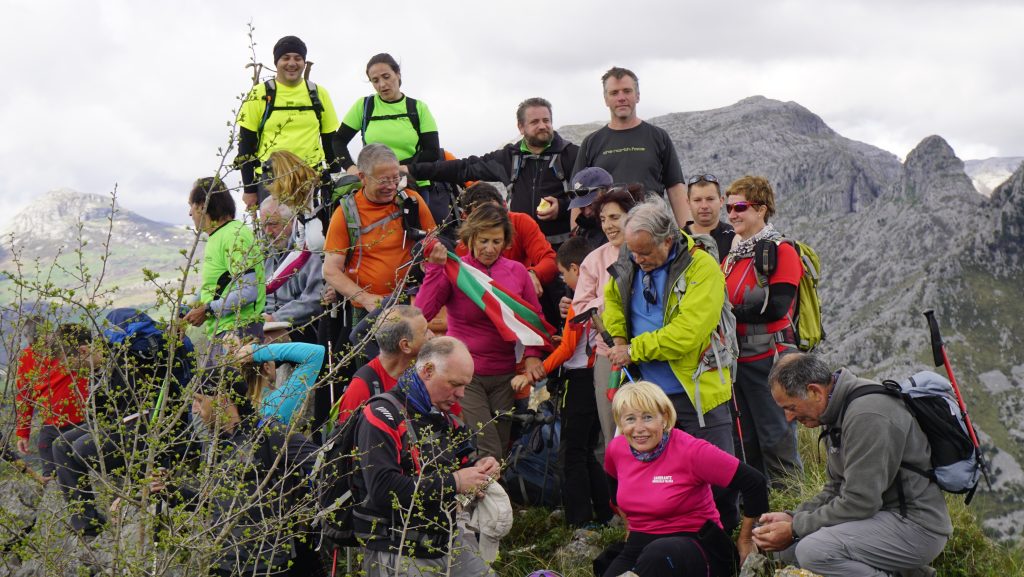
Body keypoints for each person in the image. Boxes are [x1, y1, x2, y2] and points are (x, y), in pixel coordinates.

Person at [602, 198, 740, 530]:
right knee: (656, 482)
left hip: (697, 394)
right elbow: (613, 302)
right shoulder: (630, 261)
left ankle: (725, 550)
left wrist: (634, 351)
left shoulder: (702, 267)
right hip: (648, 397)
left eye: (646, 252)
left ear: (668, 239)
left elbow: (688, 333)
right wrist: (619, 340)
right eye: (634, 252)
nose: (638, 259)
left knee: (718, 481)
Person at [753, 353, 952, 577]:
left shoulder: (867, 415)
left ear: (814, 391)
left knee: (813, 552)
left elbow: (860, 502)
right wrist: (794, 517)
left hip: (916, 527)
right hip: (881, 516)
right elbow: (836, 487)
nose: (788, 418)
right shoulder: (836, 410)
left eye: (790, 407)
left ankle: (904, 569)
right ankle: (909, 572)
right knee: (785, 551)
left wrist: (795, 528)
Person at [153, 359, 318, 576]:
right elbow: (211, 505)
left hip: (269, 565)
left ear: (222, 400)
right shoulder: (212, 445)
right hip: (221, 563)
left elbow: (324, 464)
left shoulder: (270, 435)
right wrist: (171, 491)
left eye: (199, 400)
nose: (194, 408)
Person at [354, 337, 499, 577]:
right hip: (398, 549)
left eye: (465, 385)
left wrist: (481, 468)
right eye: (454, 384)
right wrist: (456, 482)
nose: (461, 394)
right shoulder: (381, 414)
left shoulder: (443, 417)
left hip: (447, 539)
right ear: (428, 371)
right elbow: (382, 489)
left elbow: (465, 463)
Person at [320, 144, 436, 430]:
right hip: (369, 316)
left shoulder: (411, 202)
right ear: (362, 177)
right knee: (377, 380)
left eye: (396, 178)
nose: (391, 186)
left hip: (412, 308)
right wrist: (367, 298)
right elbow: (330, 270)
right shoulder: (345, 214)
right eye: (383, 180)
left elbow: (435, 246)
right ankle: (376, 432)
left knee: (417, 376)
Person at [416, 205, 546, 459]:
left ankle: (482, 496)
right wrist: (434, 269)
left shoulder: (517, 271)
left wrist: (532, 354)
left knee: (501, 444)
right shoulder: (456, 271)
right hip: (465, 374)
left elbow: (534, 319)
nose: (490, 248)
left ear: (506, 241)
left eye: (497, 241)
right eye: (483, 240)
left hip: (505, 374)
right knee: (488, 448)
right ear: (470, 239)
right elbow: (422, 314)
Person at [602, 381, 769, 577]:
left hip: (697, 542)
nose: (639, 428)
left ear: (664, 418)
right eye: (630, 419)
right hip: (641, 541)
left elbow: (754, 482)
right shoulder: (616, 449)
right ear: (621, 423)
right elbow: (614, 491)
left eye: (647, 417)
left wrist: (746, 539)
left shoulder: (691, 451)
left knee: (658, 557)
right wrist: (630, 525)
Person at [512, 236, 613, 527]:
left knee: (570, 453)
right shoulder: (601, 294)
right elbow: (572, 342)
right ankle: (604, 512)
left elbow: (569, 349)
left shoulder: (583, 299)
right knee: (586, 450)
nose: (562, 279)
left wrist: (535, 372)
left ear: (576, 269)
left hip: (580, 380)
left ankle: (579, 520)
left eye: (562, 273)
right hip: (594, 377)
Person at [409, 97, 578, 247]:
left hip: (561, 249)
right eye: (535, 122)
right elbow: (464, 168)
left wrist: (562, 207)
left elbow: (590, 197)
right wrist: (411, 170)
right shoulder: (509, 157)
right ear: (521, 127)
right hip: (520, 249)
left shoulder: (572, 155)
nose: (543, 126)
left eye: (546, 120)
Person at [722, 176, 802, 484]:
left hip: (770, 359)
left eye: (740, 206)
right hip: (738, 361)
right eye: (728, 207)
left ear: (762, 209)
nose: (732, 214)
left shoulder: (782, 251)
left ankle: (791, 511)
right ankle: (756, 512)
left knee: (776, 439)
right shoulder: (732, 256)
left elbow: (777, 307)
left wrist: (731, 313)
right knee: (747, 442)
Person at [571, 185, 644, 448]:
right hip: (609, 354)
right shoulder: (594, 259)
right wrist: (612, 296)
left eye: (615, 217)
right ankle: (620, 488)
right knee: (613, 427)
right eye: (603, 219)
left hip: (651, 351)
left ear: (632, 216)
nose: (608, 226)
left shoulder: (651, 252)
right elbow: (580, 308)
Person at [572, 67, 689, 225]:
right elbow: (579, 195)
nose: (621, 98)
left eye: (627, 91)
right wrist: (576, 239)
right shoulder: (591, 143)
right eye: (614, 93)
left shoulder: (658, 137)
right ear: (606, 99)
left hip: (651, 231)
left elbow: (676, 190)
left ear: (637, 96)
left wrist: (690, 236)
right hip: (607, 233)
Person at [236, 35, 340, 208]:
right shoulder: (258, 94)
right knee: (275, 234)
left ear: (304, 63)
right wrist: (249, 189)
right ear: (277, 62)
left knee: (314, 235)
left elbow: (330, 142)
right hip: (271, 180)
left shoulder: (318, 94)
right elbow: (245, 145)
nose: (292, 63)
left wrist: (336, 179)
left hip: (312, 178)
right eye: (285, 58)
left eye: (298, 58)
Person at [182, 177, 266, 349]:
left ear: (202, 205)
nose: (190, 213)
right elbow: (215, 286)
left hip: (239, 330)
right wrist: (184, 313)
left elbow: (249, 291)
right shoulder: (218, 236)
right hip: (224, 330)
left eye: (191, 205)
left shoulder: (234, 235)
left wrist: (207, 310)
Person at [334, 53, 441, 184]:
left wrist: (393, 169)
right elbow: (338, 140)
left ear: (398, 74)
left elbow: (432, 152)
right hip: (374, 185)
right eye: (375, 80)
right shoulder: (364, 106)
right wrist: (350, 167)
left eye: (386, 77)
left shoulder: (419, 108)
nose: (382, 84)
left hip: (413, 183)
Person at [455, 182, 557, 301]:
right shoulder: (462, 247)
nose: (491, 224)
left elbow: (550, 260)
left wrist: (533, 274)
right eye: (482, 219)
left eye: (496, 214)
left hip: (520, 297)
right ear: (466, 218)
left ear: (505, 207)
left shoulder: (521, 222)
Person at [14, 320, 89, 480]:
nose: (42, 346)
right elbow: (24, 397)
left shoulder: (68, 350)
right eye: (36, 342)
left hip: (82, 421)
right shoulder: (26, 358)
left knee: (79, 468)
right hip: (51, 424)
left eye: (45, 339)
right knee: (50, 472)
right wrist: (23, 433)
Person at [335, 304, 434, 423]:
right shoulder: (361, 388)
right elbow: (347, 438)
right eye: (425, 332)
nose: (432, 336)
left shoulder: (427, 373)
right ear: (406, 346)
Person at [260, 195, 324, 344]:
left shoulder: (308, 251)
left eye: (273, 224)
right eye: (264, 225)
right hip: (265, 321)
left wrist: (275, 318)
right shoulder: (263, 252)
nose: (267, 232)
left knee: (254, 352)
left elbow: (314, 300)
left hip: (298, 326)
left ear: (292, 221)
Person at [683, 174, 735, 263]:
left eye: (710, 199)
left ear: (721, 201)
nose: (704, 206)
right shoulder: (678, 240)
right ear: (688, 203)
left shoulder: (734, 236)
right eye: (697, 200)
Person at [567, 167, 614, 250]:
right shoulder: (579, 231)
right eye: (581, 207)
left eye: (591, 205)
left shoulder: (625, 226)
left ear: (608, 194)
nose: (587, 212)